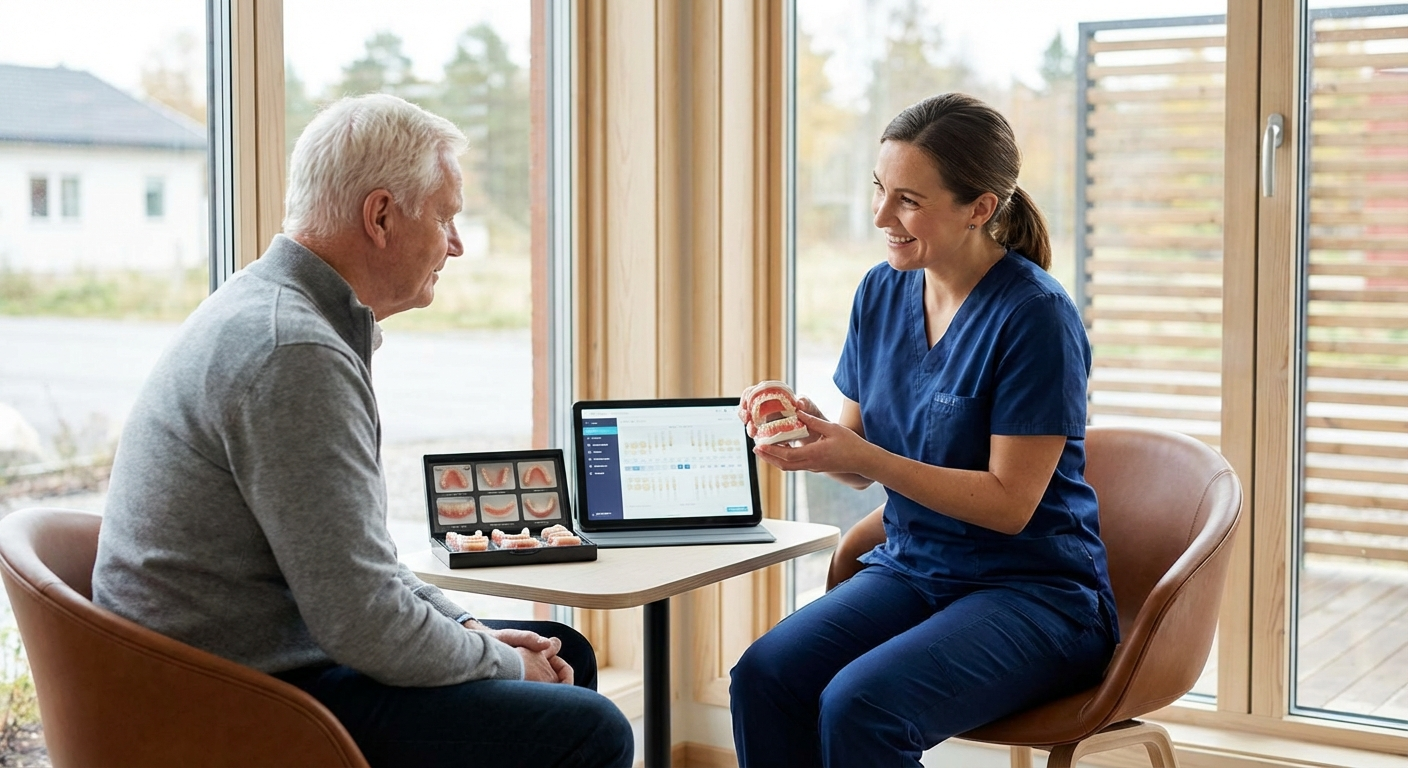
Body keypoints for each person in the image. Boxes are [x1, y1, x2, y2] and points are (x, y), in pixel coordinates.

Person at [92, 93, 633, 768]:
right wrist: (501, 662)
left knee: (565, 652)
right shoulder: (293, 352)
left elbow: (361, 569)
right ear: (380, 215)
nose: (456, 245)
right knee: (592, 729)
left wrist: (470, 630)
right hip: (240, 695)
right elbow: (363, 622)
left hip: (255, 654)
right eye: (446, 217)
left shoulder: (271, 309)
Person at [729, 93, 1119, 767]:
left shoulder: (1036, 318)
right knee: (765, 676)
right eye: (880, 190)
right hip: (913, 569)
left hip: (1035, 593)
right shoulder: (881, 291)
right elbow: (858, 461)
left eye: (908, 200)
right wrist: (815, 437)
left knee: (861, 707)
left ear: (980, 208)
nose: (881, 217)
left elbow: (1009, 503)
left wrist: (866, 456)